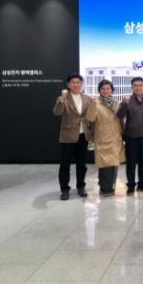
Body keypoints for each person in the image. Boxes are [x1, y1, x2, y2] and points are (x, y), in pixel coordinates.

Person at [52, 73, 92, 201]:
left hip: (83, 135)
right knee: (65, 165)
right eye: (73, 82)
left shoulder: (87, 98)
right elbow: (57, 112)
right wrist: (62, 100)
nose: (75, 84)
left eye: (78, 82)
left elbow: (91, 115)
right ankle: (65, 189)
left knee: (81, 164)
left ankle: (81, 187)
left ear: (81, 84)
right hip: (68, 136)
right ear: (68, 84)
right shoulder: (63, 98)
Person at [116, 77, 143, 195]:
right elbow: (119, 115)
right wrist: (124, 104)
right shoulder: (127, 100)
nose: (138, 87)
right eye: (135, 85)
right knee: (131, 163)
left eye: (140, 85)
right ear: (132, 87)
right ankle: (131, 185)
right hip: (131, 137)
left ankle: (142, 184)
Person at [85, 79, 126, 197]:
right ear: (99, 90)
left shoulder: (116, 103)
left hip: (115, 137)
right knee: (104, 165)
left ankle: (112, 186)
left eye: (108, 88)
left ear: (112, 90)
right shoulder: (95, 103)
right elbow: (90, 118)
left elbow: (121, 119)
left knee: (114, 164)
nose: (105, 91)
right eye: (103, 89)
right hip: (102, 137)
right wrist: (93, 105)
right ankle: (104, 188)